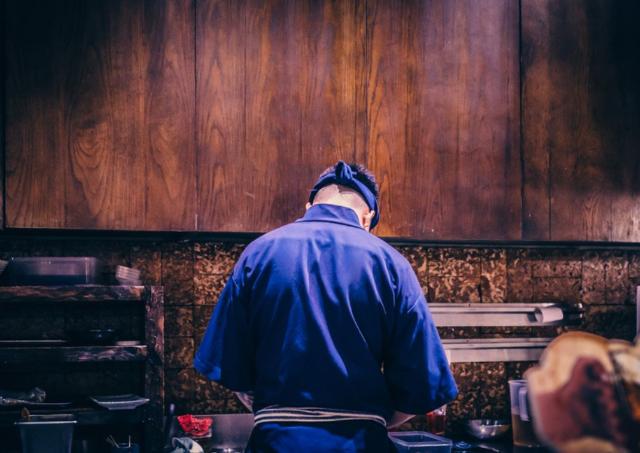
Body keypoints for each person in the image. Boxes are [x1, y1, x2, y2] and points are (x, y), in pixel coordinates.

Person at [194, 161, 457, 452]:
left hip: (276, 442)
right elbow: (422, 385)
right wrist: (371, 420)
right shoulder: (392, 264)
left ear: (309, 207)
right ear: (367, 219)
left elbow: (230, 367)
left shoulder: (258, 254)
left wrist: (275, 413)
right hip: (361, 443)